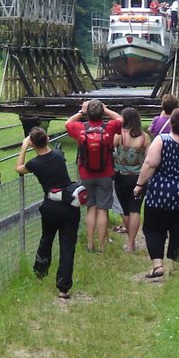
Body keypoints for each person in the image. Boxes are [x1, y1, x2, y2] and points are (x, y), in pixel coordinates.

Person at [134, 107, 179, 278]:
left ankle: (158, 265)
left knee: (154, 229)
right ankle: (176, 267)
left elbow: (150, 164)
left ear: (171, 123)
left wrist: (139, 184)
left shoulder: (161, 140)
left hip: (160, 194)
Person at [16, 127, 80, 298]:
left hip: (51, 207)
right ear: (48, 139)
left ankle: (40, 272)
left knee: (47, 239)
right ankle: (63, 287)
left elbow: (19, 168)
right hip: (70, 204)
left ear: (32, 144)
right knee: (68, 245)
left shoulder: (34, 164)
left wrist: (24, 147)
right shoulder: (59, 155)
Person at [65, 99, 122, 252]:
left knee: (91, 208)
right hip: (106, 174)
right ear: (101, 113)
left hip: (86, 174)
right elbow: (120, 119)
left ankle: (90, 244)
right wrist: (106, 109)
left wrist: (81, 112)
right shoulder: (108, 127)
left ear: (88, 113)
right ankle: (102, 246)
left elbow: (67, 123)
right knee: (103, 210)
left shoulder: (80, 128)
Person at [111, 107, 151, 252]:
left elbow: (110, 148)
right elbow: (148, 160)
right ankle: (131, 242)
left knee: (126, 211)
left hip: (121, 177)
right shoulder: (144, 137)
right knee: (135, 210)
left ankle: (130, 242)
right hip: (138, 178)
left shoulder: (119, 135)